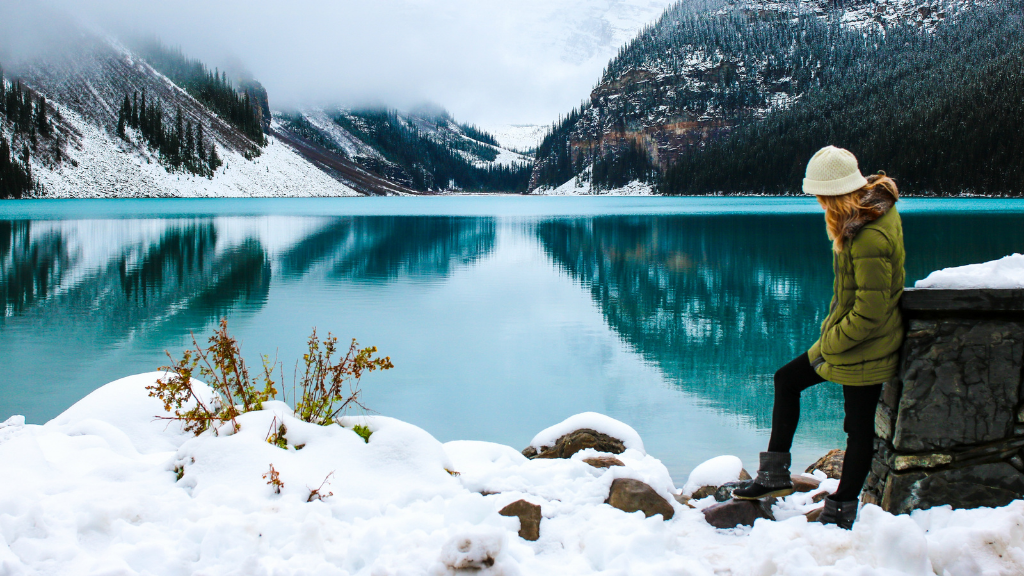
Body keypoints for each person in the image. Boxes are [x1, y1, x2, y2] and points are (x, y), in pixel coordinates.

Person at [732, 146, 905, 529]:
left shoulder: (869, 236)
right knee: (786, 379)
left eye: (821, 196)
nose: (818, 203)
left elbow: (871, 311)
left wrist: (830, 343)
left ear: (836, 193)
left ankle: (842, 507)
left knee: (858, 428)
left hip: (867, 345)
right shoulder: (864, 216)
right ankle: (774, 475)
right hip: (848, 339)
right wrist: (832, 336)